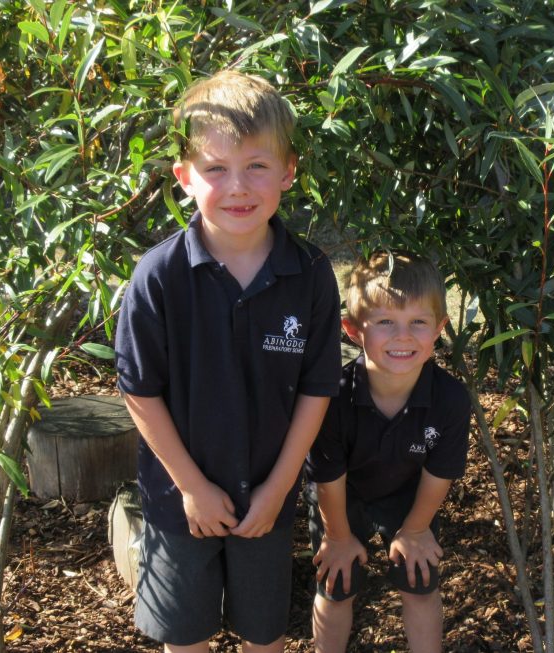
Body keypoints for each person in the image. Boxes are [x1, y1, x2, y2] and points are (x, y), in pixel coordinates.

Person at [114, 69, 342, 653]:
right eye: (216, 169)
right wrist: (191, 486)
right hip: (179, 501)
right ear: (184, 177)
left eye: (257, 166)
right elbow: (140, 391)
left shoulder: (311, 274)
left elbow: (317, 388)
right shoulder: (158, 277)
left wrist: (279, 486)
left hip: (269, 494)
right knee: (184, 637)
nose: (238, 186)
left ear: (288, 170)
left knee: (262, 634)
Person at [305, 252, 472, 653]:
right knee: (337, 584)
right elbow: (327, 477)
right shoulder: (333, 398)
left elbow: (439, 473)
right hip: (341, 498)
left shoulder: (449, 399)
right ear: (352, 330)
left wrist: (415, 530)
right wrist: (338, 536)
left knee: (420, 582)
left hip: (409, 496)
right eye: (385, 322)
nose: (403, 337)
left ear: (439, 330)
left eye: (418, 322)